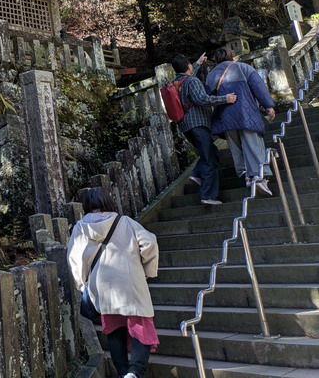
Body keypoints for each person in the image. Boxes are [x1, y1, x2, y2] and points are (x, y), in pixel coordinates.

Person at [68, 187, 159, 378]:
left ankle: (123, 372)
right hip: (131, 284)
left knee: (115, 329)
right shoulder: (124, 222)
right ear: (109, 201)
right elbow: (149, 242)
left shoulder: (80, 228)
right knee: (141, 325)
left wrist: (82, 284)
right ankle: (135, 372)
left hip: (101, 288)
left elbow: (73, 259)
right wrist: (147, 271)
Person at [206, 47, 276, 195]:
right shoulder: (243, 67)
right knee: (253, 145)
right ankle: (258, 177)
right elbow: (258, 87)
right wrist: (268, 106)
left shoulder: (211, 75)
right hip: (246, 114)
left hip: (224, 118)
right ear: (231, 56)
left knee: (236, 148)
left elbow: (206, 96)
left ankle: (246, 177)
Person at [171, 53, 237, 205]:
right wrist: (225, 99)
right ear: (188, 66)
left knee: (211, 153)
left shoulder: (176, 82)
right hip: (198, 124)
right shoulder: (192, 80)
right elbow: (202, 99)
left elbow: (187, 74)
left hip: (186, 126)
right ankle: (207, 195)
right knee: (209, 159)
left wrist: (198, 63)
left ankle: (196, 174)